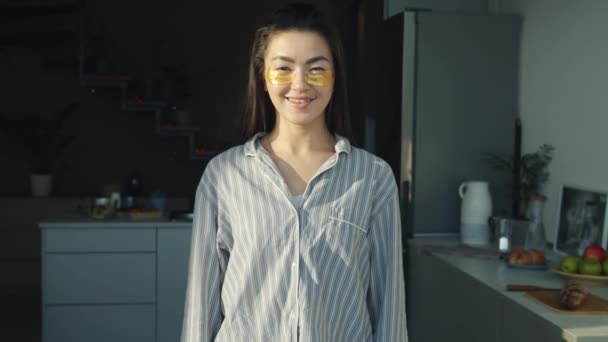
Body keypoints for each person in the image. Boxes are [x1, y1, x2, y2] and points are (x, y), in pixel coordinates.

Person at [181, 3, 407, 341]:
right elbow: (201, 310)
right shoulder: (224, 176)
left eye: (316, 69)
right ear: (262, 77)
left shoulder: (372, 178)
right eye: (283, 69)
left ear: (335, 76)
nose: (299, 84)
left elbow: (389, 310)